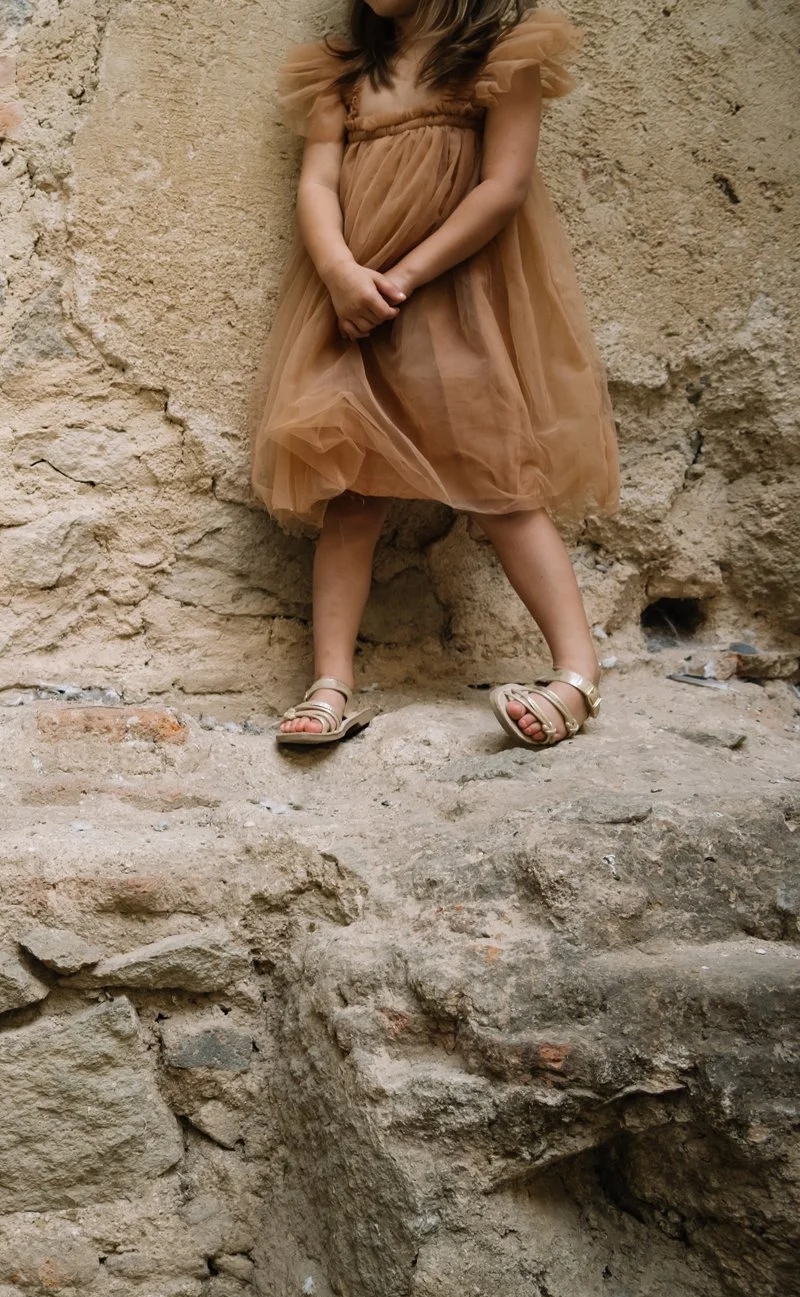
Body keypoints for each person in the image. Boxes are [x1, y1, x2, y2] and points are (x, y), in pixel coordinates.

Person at [253, 1, 619, 749]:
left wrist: (404, 278)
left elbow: (502, 187)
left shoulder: (500, 55)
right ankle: (330, 683)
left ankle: (577, 676)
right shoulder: (344, 73)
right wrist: (340, 274)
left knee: (500, 478)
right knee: (351, 489)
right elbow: (318, 185)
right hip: (355, 304)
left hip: (448, 297)